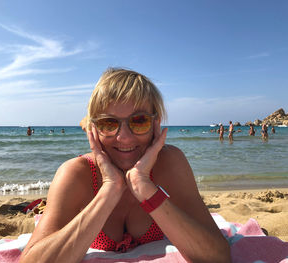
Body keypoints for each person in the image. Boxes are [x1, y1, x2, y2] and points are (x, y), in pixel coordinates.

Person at [20, 68, 230, 263]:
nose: (124, 137)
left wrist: (144, 186)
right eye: (108, 123)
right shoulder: (76, 173)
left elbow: (219, 256)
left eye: (139, 121)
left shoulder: (169, 163)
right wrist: (109, 189)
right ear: (94, 129)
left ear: (156, 123)